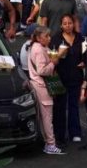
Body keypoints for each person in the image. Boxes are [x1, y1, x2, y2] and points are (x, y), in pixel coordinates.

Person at [28, 25, 67, 155]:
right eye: (46, 36)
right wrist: (53, 63)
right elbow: (42, 70)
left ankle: (48, 142)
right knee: (47, 117)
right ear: (39, 38)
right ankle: (50, 144)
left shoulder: (36, 47)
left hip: (37, 84)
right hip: (42, 85)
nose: (49, 38)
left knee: (44, 116)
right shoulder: (39, 50)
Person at [50, 14, 84, 146]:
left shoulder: (80, 38)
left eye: (70, 23)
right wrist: (58, 54)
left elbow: (86, 54)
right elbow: (52, 58)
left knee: (74, 105)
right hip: (61, 77)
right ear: (61, 25)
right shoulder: (56, 39)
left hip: (76, 76)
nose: (68, 26)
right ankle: (59, 135)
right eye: (65, 23)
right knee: (60, 107)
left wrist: (84, 62)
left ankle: (75, 132)